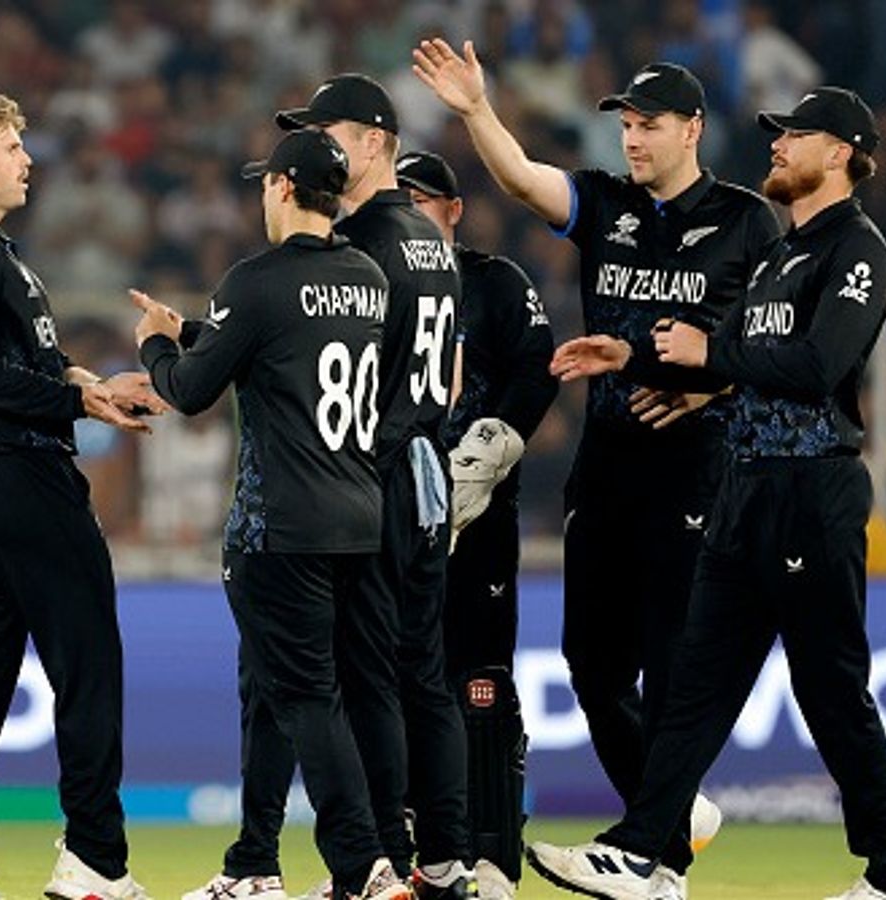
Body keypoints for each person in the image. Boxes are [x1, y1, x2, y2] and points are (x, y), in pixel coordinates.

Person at [531, 88, 886, 900]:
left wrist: (706, 349)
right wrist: (633, 360)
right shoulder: (781, 252)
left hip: (810, 489)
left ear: (842, 153)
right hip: (744, 491)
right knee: (692, 687)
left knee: (829, 691)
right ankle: (646, 852)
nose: (779, 146)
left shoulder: (856, 251)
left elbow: (817, 368)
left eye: (797, 136)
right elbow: (726, 364)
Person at [413, 42, 780, 890]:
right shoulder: (607, 204)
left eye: (649, 125)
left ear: (692, 128)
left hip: (693, 463)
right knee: (591, 660)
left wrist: (709, 388)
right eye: (625, 124)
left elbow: (774, 343)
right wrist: (476, 110)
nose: (633, 139)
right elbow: (522, 180)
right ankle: (670, 816)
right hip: (609, 461)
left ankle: (654, 847)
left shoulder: (745, 221)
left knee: (667, 655)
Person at [137, 128, 412, 900]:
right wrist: (196, 333)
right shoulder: (366, 278)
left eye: (266, 183)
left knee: (305, 697)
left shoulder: (254, 280)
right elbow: (286, 346)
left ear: (285, 188)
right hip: (359, 519)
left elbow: (189, 393)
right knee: (279, 690)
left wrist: (158, 344)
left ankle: (363, 867)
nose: (261, 193)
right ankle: (255, 863)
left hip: (279, 532)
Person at [0, 92, 162, 900]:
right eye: (11, 146)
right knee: (87, 665)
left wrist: (83, 380)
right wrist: (75, 403)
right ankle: (94, 858)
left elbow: (0, 364)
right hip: (15, 477)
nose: (27, 159)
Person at [274, 73, 475, 896]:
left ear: (372, 143)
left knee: (368, 676)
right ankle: (449, 853)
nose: (320, 149)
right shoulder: (431, 242)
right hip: (430, 470)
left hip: (381, 475)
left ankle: (385, 851)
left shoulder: (363, 246)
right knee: (422, 673)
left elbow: (351, 379)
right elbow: (452, 380)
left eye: (330, 135)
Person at [395, 150, 558, 900]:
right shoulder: (369, 281)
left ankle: (490, 855)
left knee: (481, 682)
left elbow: (536, 367)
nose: (409, 211)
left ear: (454, 211)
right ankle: (402, 854)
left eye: (422, 200)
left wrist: (498, 439)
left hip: (480, 515)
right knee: (390, 681)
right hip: (394, 514)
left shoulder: (496, 283)